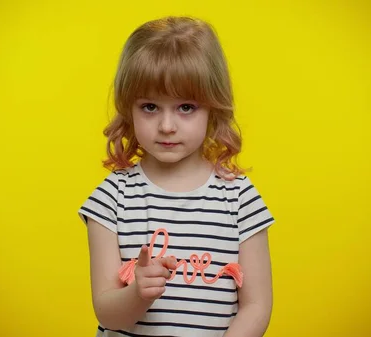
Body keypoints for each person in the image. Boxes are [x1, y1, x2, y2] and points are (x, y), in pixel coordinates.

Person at [78, 16, 274, 337]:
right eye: (151, 107)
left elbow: (257, 305)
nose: (167, 126)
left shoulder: (240, 198)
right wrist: (137, 293)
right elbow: (107, 312)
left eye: (186, 107)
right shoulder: (111, 199)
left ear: (214, 107)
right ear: (129, 109)